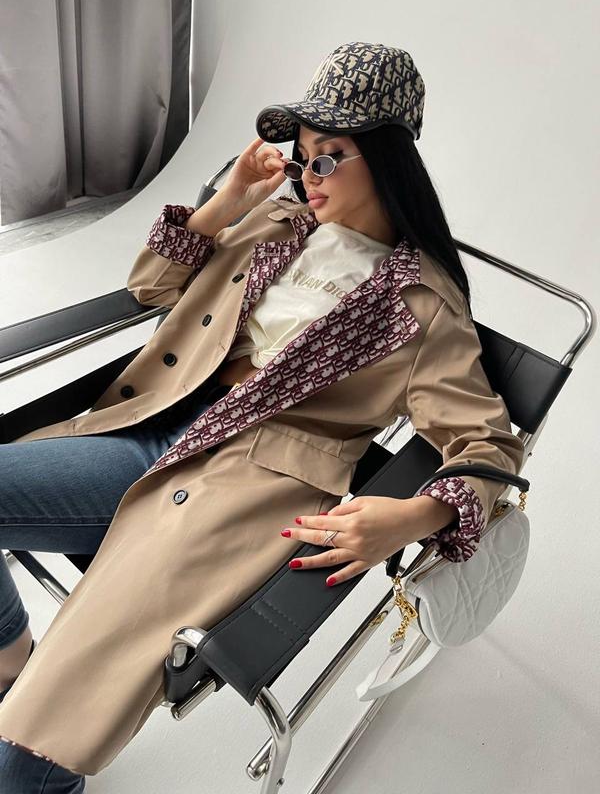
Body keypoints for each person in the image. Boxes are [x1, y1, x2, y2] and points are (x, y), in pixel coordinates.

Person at [0, 41, 524, 791]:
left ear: (388, 159)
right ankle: (9, 654)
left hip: (237, 491)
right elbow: (153, 287)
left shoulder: (422, 305)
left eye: (328, 156)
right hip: (153, 425)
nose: (308, 175)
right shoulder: (278, 224)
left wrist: (414, 517)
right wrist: (230, 200)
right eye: (302, 156)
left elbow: (487, 442)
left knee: (40, 736)